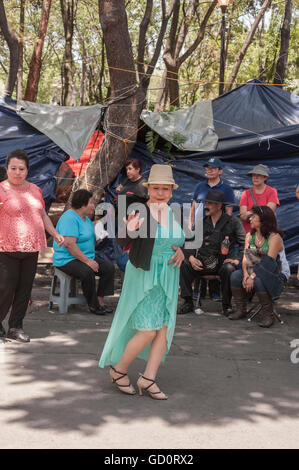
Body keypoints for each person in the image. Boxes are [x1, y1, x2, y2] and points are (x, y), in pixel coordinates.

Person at [99, 164, 185, 400]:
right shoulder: (140, 211)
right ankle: (119, 370)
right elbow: (123, 239)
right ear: (148, 189)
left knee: (163, 330)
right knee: (148, 330)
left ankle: (148, 378)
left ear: (171, 191)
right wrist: (128, 228)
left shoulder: (173, 211)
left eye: (165, 189)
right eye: (156, 188)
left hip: (168, 276)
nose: (160, 193)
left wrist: (182, 252)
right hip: (145, 275)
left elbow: (179, 239)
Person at [0, 149, 64, 342]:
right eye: (13, 168)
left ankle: (15, 327)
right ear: (7, 169)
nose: (18, 172)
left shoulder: (35, 190)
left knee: (24, 289)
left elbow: (42, 215)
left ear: (27, 170)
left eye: (21, 168)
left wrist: (55, 233)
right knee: (5, 288)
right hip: (7, 248)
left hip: (31, 248)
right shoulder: (1, 189)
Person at [179, 190, 245, 317]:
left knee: (229, 269)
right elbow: (189, 243)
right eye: (205, 202)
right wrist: (192, 258)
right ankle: (187, 301)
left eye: (210, 203)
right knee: (184, 265)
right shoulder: (201, 222)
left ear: (219, 206)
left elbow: (244, 243)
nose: (206, 206)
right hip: (203, 262)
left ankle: (227, 305)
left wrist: (237, 259)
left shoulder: (233, 222)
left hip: (223, 263)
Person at [53, 189, 114, 315]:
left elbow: (88, 238)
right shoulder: (69, 218)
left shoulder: (85, 219)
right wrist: (88, 262)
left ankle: (99, 300)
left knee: (108, 268)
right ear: (83, 204)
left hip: (86, 256)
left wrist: (99, 235)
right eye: (91, 202)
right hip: (67, 259)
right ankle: (93, 306)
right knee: (87, 271)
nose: (93, 206)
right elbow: (69, 244)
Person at [229, 206, 285, 328]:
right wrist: (245, 275)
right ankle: (241, 309)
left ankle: (268, 315)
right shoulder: (250, 235)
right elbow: (245, 258)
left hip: (274, 272)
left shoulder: (274, 238)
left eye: (254, 216)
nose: (250, 218)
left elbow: (268, 264)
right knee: (235, 276)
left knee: (260, 280)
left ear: (263, 220)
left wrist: (252, 277)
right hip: (253, 269)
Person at [189, 157, 235, 301]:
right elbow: (194, 207)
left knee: (217, 256)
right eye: (207, 168)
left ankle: (215, 292)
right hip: (201, 228)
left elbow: (229, 210)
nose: (209, 170)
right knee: (199, 255)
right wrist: (191, 225)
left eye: (213, 168)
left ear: (220, 171)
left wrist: (226, 228)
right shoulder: (199, 186)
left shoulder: (226, 188)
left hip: (219, 228)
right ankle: (198, 291)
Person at [239, 164, 279, 233]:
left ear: (265, 178)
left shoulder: (272, 191)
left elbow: (268, 212)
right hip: (249, 233)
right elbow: (242, 216)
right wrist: (259, 213)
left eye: (259, 175)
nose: (255, 177)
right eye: (253, 175)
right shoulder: (245, 193)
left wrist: (250, 213)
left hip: (266, 233)